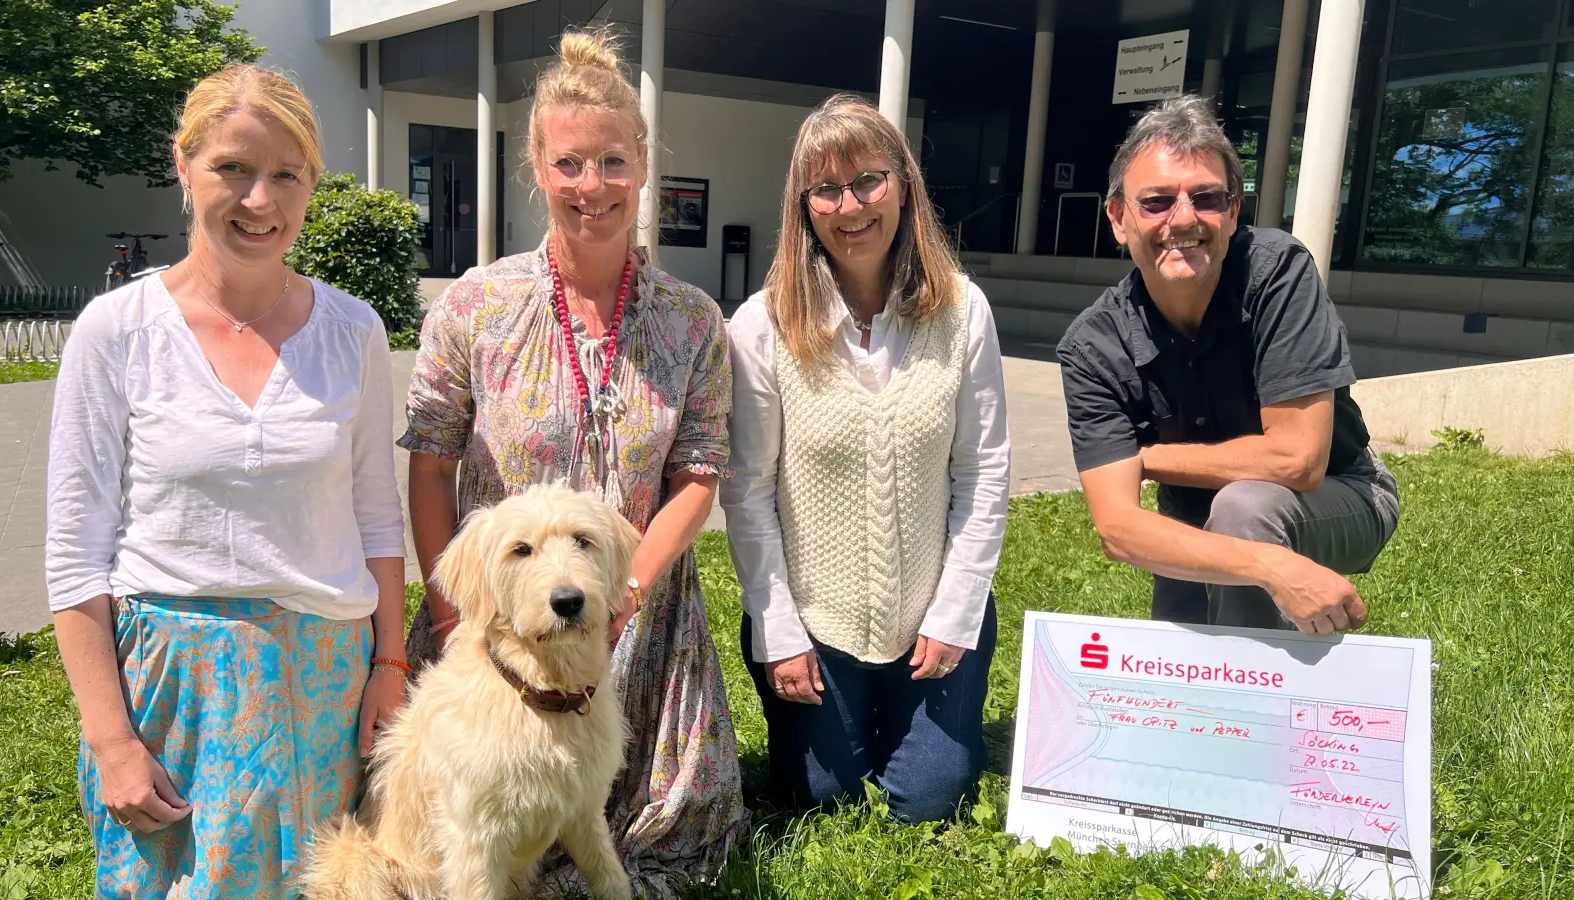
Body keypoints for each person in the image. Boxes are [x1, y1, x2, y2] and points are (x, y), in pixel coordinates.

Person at [45, 65, 409, 899]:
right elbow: (74, 553)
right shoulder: (117, 333)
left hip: (326, 682)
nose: (260, 200)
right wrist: (111, 739)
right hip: (178, 689)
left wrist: (389, 664)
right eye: (234, 169)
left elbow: (376, 519)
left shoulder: (352, 330)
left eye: (286, 174)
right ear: (184, 164)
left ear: (313, 182)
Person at [399, 29, 742, 897]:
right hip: (497, 629)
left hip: (641, 616)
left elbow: (698, 478)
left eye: (613, 162)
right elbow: (433, 466)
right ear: (537, 171)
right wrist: (453, 619)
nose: (593, 187)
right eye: (570, 164)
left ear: (644, 165)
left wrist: (629, 594)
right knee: (461, 832)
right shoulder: (472, 310)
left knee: (660, 840)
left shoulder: (696, 322)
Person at [722, 94, 1011, 824]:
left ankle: (917, 714)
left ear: (904, 183)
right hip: (818, 628)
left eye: (868, 181)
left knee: (929, 801)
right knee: (821, 799)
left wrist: (954, 616)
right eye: (826, 189)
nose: (850, 206)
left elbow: (983, 474)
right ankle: (842, 718)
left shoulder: (963, 311)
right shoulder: (761, 327)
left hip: (932, 620)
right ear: (803, 206)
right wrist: (780, 634)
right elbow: (748, 494)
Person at [1056, 94, 1400, 634]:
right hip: (1194, 516)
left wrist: (1146, 459)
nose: (1185, 218)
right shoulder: (1093, 346)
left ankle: (1261, 706)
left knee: (1246, 509)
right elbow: (1119, 529)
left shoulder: (1278, 275)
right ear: (1119, 219)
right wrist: (1273, 567)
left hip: (1341, 491)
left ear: (1234, 212)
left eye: (1208, 198)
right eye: (1157, 202)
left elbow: (1300, 462)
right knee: (1180, 668)